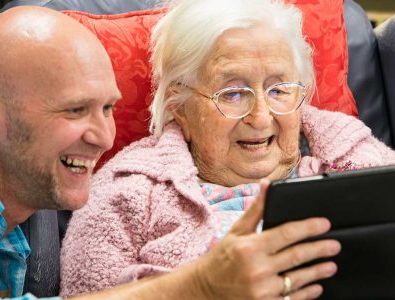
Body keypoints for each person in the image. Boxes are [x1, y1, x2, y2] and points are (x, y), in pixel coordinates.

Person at [0, 5, 339, 300]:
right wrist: (203, 283)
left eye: (107, 109)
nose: (105, 138)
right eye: (74, 109)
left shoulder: (4, 232)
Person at [59, 0, 395, 298]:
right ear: (179, 104)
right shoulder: (125, 193)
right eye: (232, 94)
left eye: (279, 90)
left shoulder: (361, 157)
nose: (261, 118)